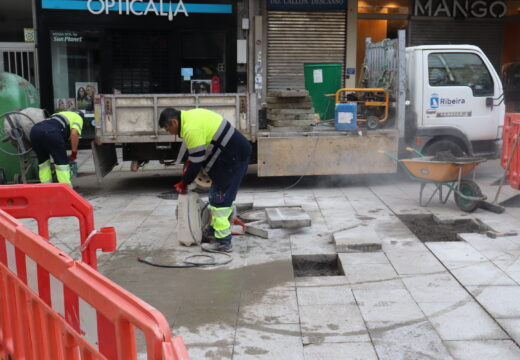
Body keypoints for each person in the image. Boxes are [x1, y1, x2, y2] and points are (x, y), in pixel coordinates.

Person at [159, 107, 251, 252]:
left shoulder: (191, 129)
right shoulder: (191, 116)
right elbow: (194, 154)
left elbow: (196, 162)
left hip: (233, 158)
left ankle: (223, 242)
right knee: (221, 197)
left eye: (167, 129)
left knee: (218, 200)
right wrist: (186, 174)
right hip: (234, 154)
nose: (169, 132)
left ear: (174, 122)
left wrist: (184, 182)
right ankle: (216, 231)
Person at [29, 111, 84, 187]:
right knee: (61, 164)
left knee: (43, 162)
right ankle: (66, 189)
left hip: (35, 131)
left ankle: (46, 188)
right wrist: (74, 153)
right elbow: (74, 134)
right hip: (52, 133)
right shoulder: (78, 118)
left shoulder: (59, 113)